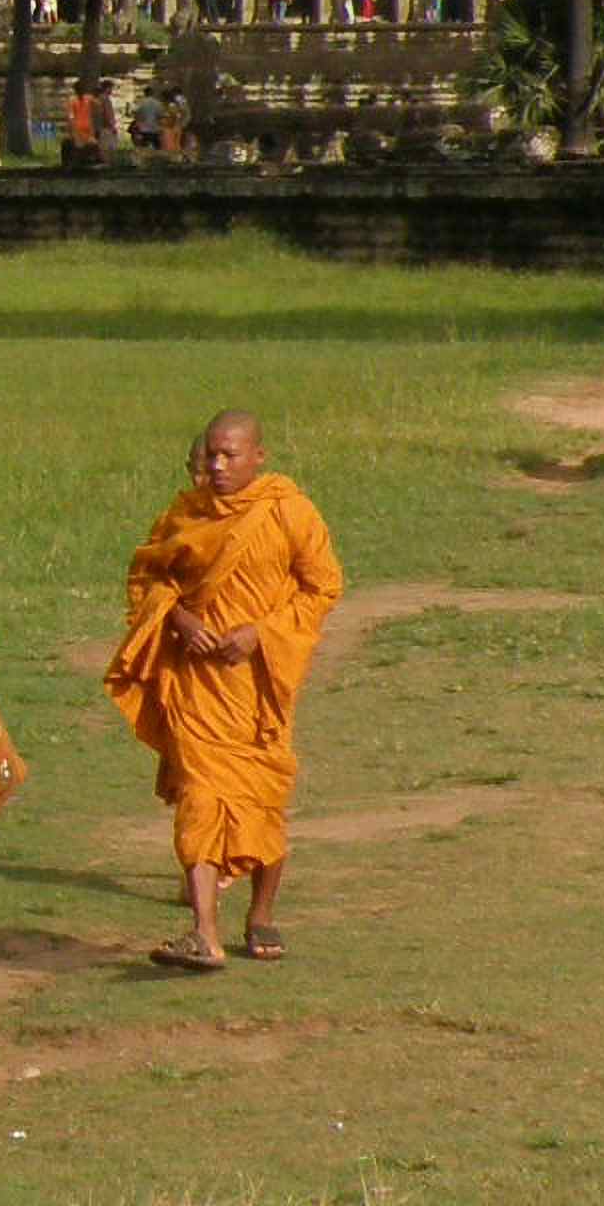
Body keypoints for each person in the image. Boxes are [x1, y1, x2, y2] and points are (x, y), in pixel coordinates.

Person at [107, 412, 347, 969]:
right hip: (193, 683)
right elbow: (148, 578)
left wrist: (260, 635)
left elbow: (322, 586)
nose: (216, 465)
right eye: (210, 455)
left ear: (258, 457)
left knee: (263, 797)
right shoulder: (185, 513)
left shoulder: (288, 511)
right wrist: (176, 620)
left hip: (257, 685)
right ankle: (203, 932)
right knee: (198, 796)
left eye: (229, 455)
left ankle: (260, 914)